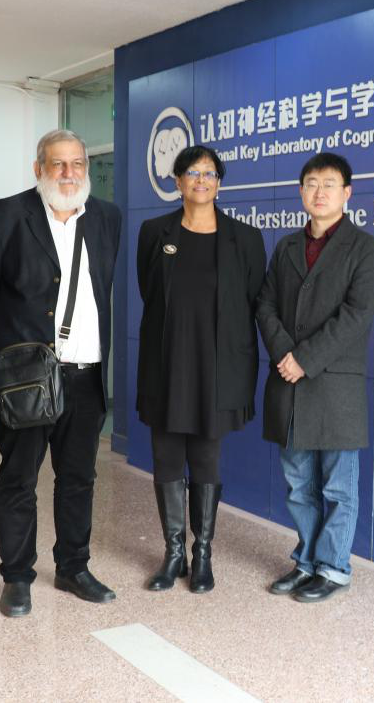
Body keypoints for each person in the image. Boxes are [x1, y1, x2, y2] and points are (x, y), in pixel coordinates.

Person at [0, 129, 122, 614]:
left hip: (87, 375)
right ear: (38, 168)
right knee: (19, 478)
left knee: (79, 477)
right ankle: (17, 575)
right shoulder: (2, 217)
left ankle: (74, 567)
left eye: (77, 163)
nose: (68, 173)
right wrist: (21, 344)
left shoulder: (107, 217)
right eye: (58, 164)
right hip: (28, 378)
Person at [256, 153, 374, 602]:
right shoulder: (287, 247)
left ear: (347, 192)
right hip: (289, 381)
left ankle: (334, 568)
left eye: (329, 184)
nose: (319, 192)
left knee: (338, 487)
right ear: (301, 191)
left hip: (333, 386)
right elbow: (265, 305)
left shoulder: (364, 248)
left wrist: (304, 359)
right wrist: (284, 354)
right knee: (299, 484)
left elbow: (356, 315)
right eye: (311, 183)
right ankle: (307, 561)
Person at [136, 146, 266, 593]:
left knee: (207, 459)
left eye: (210, 174)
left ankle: (203, 553)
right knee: (167, 456)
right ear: (178, 182)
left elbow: (251, 302)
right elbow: (150, 292)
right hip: (167, 364)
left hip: (218, 369)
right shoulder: (155, 233)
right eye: (192, 173)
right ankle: (173, 553)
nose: (201, 180)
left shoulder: (244, 239)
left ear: (219, 183)